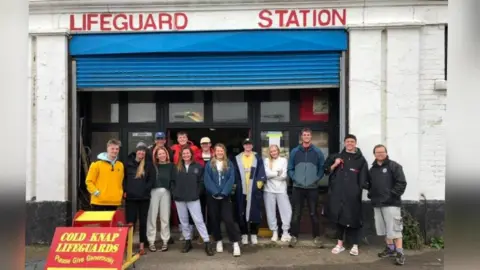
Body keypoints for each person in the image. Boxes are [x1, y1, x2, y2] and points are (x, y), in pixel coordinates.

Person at [324, 134, 369, 256]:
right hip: (338, 194)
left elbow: (364, 179)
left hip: (353, 195)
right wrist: (335, 164)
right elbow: (326, 171)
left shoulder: (361, 160)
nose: (350, 143)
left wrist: (358, 190)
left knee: (354, 218)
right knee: (339, 219)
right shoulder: (337, 156)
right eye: (348, 141)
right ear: (344, 143)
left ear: (355, 143)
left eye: (352, 141)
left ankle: (355, 245)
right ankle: (340, 244)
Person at [368, 144, 407, 265]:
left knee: (395, 229)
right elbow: (369, 185)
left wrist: (391, 195)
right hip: (378, 204)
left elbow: (401, 183)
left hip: (392, 204)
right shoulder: (372, 170)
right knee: (384, 229)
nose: (380, 154)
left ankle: (400, 252)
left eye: (382, 152)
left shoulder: (394, 166)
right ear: (374, 154)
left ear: (386, 152)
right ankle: (390, 249)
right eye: (377, 152)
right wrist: (371, 194)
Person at [171, 146, 214, 256]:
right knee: (184, 221)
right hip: (180, 198)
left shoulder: (198, 167)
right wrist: (174, 193)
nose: (186, 155)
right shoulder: (176, 167)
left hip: (193, 198)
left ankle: (207, 242)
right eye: (183, 153)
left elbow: (201, 182)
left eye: (187, 153)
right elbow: (172, 182)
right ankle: (188, 241)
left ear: (191, 154)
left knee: (198, 220)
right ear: (181, 155)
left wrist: (197, 193)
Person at [287, 128, 325, 248]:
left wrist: (315, 179)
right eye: (304, 135)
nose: (307, 136)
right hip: (297, 188)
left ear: (311, 137)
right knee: (296, 213)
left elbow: (321, 168)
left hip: (312, 188)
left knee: (314, 213)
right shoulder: (295, 151)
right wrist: (295, 179)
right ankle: (294, 236)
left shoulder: (317, 152)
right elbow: (290, 168)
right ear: (301, 137)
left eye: (308, 135)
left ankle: (316, 236)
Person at [204, 143, 242, 256]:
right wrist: (215, 192)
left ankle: (235, 243)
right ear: (214, 152)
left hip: (226, 197)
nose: (219, 152)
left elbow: (231, 179)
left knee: (228, 219)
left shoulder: (229, 164)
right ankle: (218, 241)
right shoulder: (209, 164)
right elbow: (207, 179)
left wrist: (224, 192)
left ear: (224, 152)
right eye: (217, 151)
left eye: (221, 151)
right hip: (213, 196)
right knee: (214, 219)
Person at [232, 138, 266, 245]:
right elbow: (235, 173)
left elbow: (261, 171)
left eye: (249, 144)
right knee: (241, 212)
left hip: (253, 190)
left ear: (252, 146)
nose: (247, 146)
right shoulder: (237, 158)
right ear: (243, 146)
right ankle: (244, 234)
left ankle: (254, 234)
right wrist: (236, 186)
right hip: (242, 189)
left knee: (254, 212)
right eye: (245, 144)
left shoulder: (257, 158)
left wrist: (258, 185)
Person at [170, 131, 202, 241]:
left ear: (187, 138)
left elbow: (197, 162)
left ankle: (192, 230)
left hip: (190, 178)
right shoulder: (173, 148)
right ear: (177, 139)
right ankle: (183, 232)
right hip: (179, 178)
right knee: (180, 211)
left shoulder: (194, 148)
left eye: (184, 137)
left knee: (193, 210)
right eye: (180, 137)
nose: (182, 139)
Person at [123, 142, 154, 255]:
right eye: (139, 150)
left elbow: (151, 180)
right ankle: (129, 245)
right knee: (130, 222)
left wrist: (145, 190)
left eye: (143, 151)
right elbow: (124, 178)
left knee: (143, 222)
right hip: (130, 197)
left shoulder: (149, 165)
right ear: (136, 151)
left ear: (145, 153)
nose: (141, 152)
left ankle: (141, 246)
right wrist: (125, 190)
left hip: (144, 198)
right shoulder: (128, 162)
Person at [147, 146, 174, 252]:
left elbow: (173, 179)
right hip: (153, 191)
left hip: (166, 192)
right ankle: (151, 240)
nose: (162, 155)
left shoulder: (171, 166)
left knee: (165, 217)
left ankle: (165, 240)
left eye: (163, 153)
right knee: (152, 216)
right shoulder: (153, 166)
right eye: (160, 154)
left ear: (166, 154)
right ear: (156, 156)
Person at [263, 144, 292, 242]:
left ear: (278, 151)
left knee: (286, 211)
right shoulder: (266, 161)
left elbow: (284, 176)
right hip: (268, 190)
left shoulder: (283, 160)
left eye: (275, 151)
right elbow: (266, 174)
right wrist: (277, 173)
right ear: (269, 153)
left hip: (281, 189)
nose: (273, 153)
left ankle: (285, 232)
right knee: (270, 212)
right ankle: (274, 232)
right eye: (271, 151)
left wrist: (272, 174)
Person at [86, 139, 124, 211]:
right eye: (112, 148)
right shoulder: (96, 164)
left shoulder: (120, 165)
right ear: (107, 149)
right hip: (99, 202)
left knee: (111, 222)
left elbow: (120, 182)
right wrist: (96, 192)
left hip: (114, 202)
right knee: (99, 222)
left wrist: (120, 193)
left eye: (117, 149)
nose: (115, 151)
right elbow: (89, 181)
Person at [198, 137, 215, 242]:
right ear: (200, 145)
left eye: (206, 144)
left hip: (212, 186)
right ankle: (202, 234)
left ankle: (211, 233)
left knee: (211, 210)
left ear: (210, 144)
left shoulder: (215, 155)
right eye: (203, 144)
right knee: (200, 210)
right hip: (200, 186)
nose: (205, 145)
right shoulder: (196, 156)